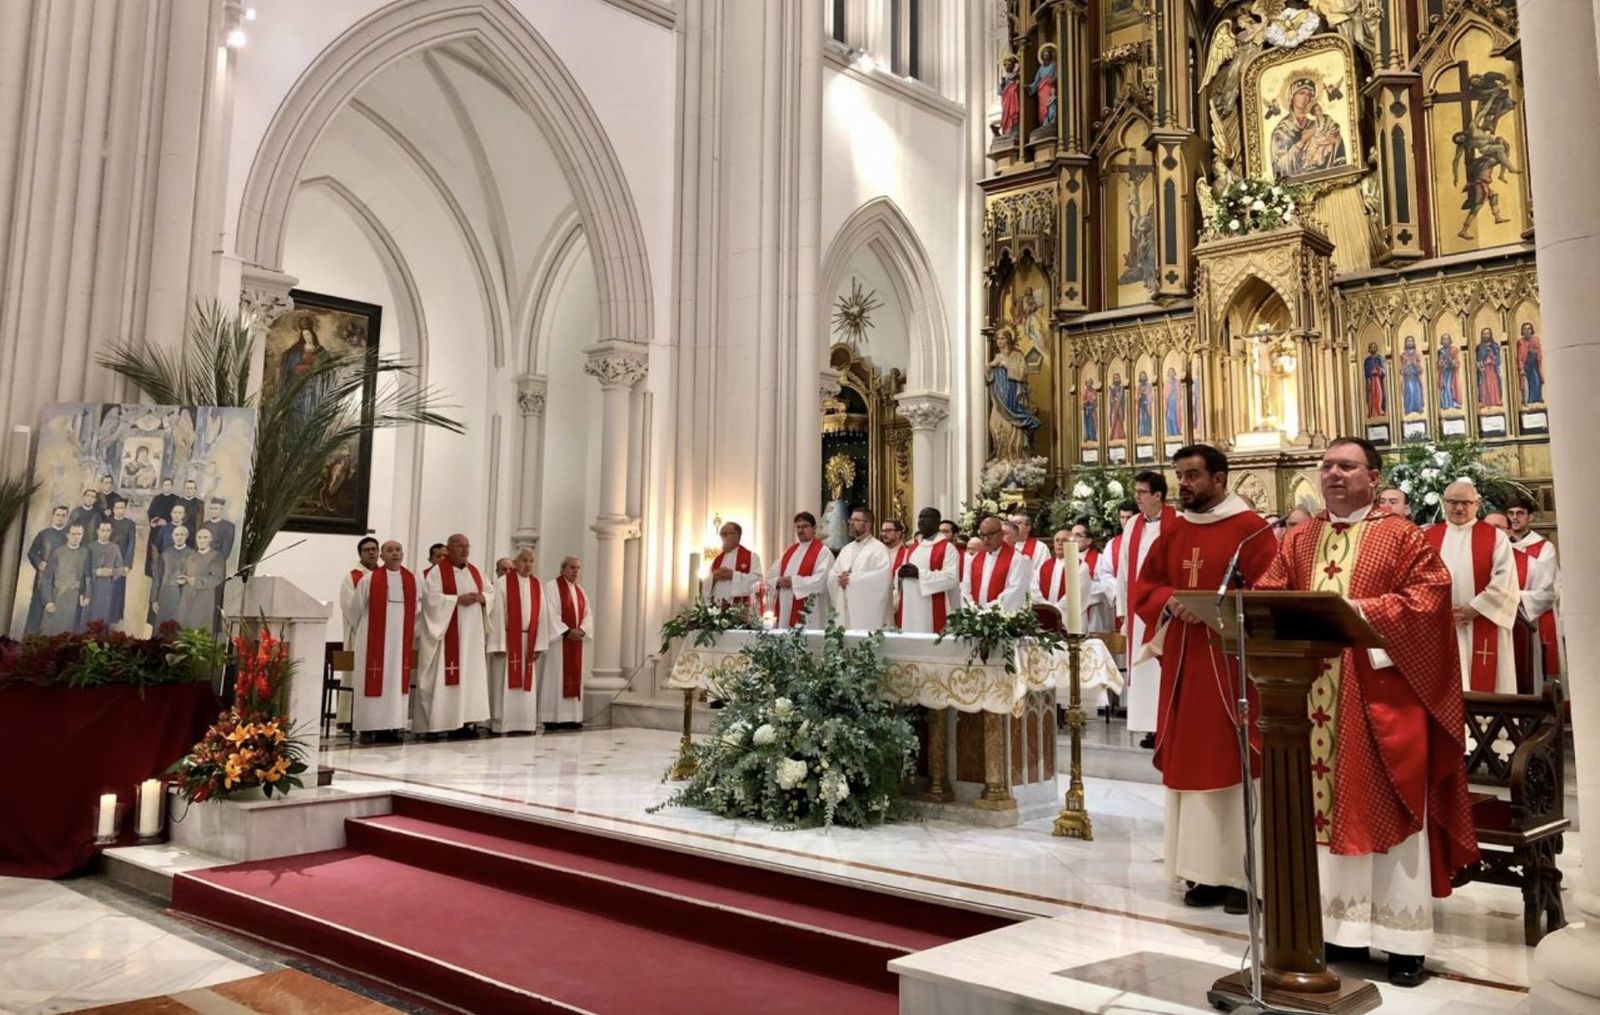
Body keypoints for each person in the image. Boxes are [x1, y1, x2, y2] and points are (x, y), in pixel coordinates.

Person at [1254, 437, 1477, 987]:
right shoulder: (1300, 538)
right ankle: (1332, 931)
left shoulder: (1401, 536)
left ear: (1372, 477)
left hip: (1377, 702)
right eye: (1327, 465)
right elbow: (1269, 593)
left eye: (1346, 466)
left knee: (1387, 810)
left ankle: (1402, 942)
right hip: (1307, 701)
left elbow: (1429, 600)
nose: (1333, 474)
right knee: (1315, 816)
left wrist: (1353, 611)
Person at [1131, 445, 1276, 914]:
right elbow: (1146, 588)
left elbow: (1272, 590)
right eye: (1179, 476)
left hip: (1233, 666)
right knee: (1192, 765)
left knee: (1236, 765)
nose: (1184, 484)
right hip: (1185, 666)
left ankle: (1243, 876)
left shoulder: (1250, 532)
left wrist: (1221, 609)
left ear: (1220, 478)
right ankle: (1202, 871)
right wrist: (1171, 600)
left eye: (1193, 475)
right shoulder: (1173, 531)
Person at [1426, 480, 1518, 692]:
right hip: (1440, 624)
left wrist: (1474, 608)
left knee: (1488, 682)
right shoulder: (1427, 537)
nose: (1459, 508)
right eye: (1453, 502)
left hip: (1483, 620)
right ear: (1444, 503)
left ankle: (1489, 726)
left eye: (1466, 503)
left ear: (1477, 504)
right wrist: (1437, 609)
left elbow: (1506, 579)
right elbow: (1417, 580)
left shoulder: (1495, 537)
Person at [415, 533, 495, 738]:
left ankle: (466, 722)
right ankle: (445, 722)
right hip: (448, 635)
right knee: (448, 675)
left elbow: (491, 592)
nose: (465, 550)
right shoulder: (437, 573)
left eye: (467, 546)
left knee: (469, 676)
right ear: (449, 549)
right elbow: (430, 599)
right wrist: (456, 600)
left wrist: (483, 598)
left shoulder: (476, 572)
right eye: (460, 546)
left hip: (472, 636)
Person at [1118, 470, 1176, 748]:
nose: (1137, 498)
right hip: (1138, 608)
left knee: (1163, 667)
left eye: (1142, 493)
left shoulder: (1177, 522)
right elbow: (1123, 571)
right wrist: (1123, 611)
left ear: (1158, 496)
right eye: (1136, 492)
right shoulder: (1132, 526)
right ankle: (1150, 727)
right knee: (1142, 669)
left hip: (1165, 609)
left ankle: (1169, 725)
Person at [348, 540, 418, 743]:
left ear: (403, 554)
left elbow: (417, 610)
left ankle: (394, 725)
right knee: (372, 680)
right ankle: (370, 727)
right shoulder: (369, 580)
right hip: (373, 642)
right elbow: (356, 611)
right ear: (382, 556)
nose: (395, 553)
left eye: (398, 550)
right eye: (389, 550)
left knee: (396, 681)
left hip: (400, 643)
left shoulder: (410, 580)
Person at [488, 547, 556, 735]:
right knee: (505, 683)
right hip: (509, 641)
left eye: (531, 561)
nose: (528, 564)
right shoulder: (503, 583)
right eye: (524, 560)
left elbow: (542, 615)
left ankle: (525, 722)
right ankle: (503, 723)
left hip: (529, 640)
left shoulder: (536, 585)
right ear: (516, 563)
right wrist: (499, 643)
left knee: (526, 685)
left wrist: (540, 644)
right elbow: (498, 614)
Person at [1505, 494, 1560, 688]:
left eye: (1520, 513)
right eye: (1510, 513)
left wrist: (1513, 598)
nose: (1514, 517)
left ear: (1530, 518)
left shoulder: (1544, 548)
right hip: (1504, 616)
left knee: (1532, 669)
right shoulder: (1502, 546)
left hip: (1531, 618)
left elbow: (1547, 591)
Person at [543, 556, 591, 730]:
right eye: (572, 568)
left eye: (578, 568)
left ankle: (572, 717)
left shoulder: (580, 591)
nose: (576, 571)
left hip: (575, 642)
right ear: (563, 569)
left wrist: (582, 630)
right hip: (559, 642)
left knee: (574, 677)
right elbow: (550, 612)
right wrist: (567, 631)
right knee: (557, 677)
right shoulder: (552, 587)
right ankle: (553, 718)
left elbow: (587, 614)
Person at [895, 507, 960, 634]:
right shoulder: (913, 547)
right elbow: (901, 571)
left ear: (937, 522)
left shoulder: (947, 548)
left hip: (932, 607)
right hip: (910, 606)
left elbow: (951, 578)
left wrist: (919, 574)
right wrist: (900, 574)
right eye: (920, 517)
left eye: (927, 517)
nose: (922, 521)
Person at [766, 512, 834, 628]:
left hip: (809, 610)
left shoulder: (823, 552)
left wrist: (793, 582)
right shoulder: (789, 551)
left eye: (805, 526)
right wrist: (778, 581)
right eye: (798, 527)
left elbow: (822, 580)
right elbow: (770, 576)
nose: (801, 530)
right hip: (785, 606)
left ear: (814, 528)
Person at [827, 509, 893, 629]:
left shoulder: (879, 549)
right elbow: (832, 574)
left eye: (856, 520)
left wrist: (852, 579)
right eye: (850, 520)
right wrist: (838, 579)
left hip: (867, 615)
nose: (851, 523)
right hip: (845, 610)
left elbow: (883, 579)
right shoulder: (846, 549)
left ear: (868, 524)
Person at [966, 515, 1033, 611]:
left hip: (1002, 617)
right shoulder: (975, 558)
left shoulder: (1018, 559)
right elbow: (965, 587)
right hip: (975, 616)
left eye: (990, 536)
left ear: (1001, 534)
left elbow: (1015, 591)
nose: (985, 540)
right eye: (982, 535)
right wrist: (971, 607)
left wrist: (986, 608)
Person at [23, 505, 69, 635]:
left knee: (56, 607)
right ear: (53, 516)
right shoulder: (44, 534)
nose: (60, 518)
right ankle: (30, 639)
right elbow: (32, 553)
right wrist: (39, 562)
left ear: (66, 517)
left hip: (59, 578)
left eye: (63, 515)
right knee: (37, 607)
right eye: (58, 515)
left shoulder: (68, 536)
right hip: (43, 578)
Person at [40, 523, 91, 635]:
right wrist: (48, 601)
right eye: (73, 534)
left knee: (71, 635)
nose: (76, 537)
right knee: (51, 632)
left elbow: (87, 577)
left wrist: (86, 595)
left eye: (79, 534)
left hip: (75, 599)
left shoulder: (86, 553)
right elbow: (47, 578)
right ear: (67, 535)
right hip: (57, 597)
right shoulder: (57, 552)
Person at [701, 521, 763, 609]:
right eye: (722, 535)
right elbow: (706, 585)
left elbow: (757, 581)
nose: (723, 538)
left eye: (726, 534)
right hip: (717, 609)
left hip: (740, 610)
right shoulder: (717, 560)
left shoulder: (752, 557)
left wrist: (733, 575)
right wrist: (713, 578)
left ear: (737, 535)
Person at [175, 527, 225, 631]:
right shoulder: (191, 555)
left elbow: (217, 579)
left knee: (200, 632)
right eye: (199, 537)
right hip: (186, 599)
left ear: (210, 539)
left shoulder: (216, 557)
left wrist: (194, 581)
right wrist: (182, 581)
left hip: (204, 600)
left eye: (205, 537)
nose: (202, 540)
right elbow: (184, 573)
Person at [83, 520, 126, 629]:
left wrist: (112, 572)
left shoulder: (115, 547)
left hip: (108, 587)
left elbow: (120, 568)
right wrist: (96, 572)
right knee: (91, 615)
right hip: (93, 586)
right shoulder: (90, 547)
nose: (105, 533)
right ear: (98, 531)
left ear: (111, 532)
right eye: (102, 530)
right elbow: (84, 569)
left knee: (104, 616)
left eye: (107, 530)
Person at [341, 537, 381, 650]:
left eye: (374, 549)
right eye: (367, 550)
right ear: (360, 554)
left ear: (379, 552)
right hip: (360, 631)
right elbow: (350, 608)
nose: (371, 552)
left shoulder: (386, 575)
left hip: (383, 631)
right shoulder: (352, 577)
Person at [153, 525, 192, 628]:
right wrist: (155, 599)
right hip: (165, 594)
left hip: (183, 595)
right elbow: (158, 576)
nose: (179, 537)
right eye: (176, 534)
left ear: (186, 536)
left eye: (182, 534)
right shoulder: (165, 553)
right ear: (172, 537)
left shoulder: (192, 554)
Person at [107, 498, 136, 626]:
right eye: (117, 508)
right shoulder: (108, 522)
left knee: (117, 589)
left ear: (125, 509)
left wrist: (127, 564)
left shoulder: (129, 524)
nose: (119, 510)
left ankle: (115, 617)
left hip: (121, 561)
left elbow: (131, 545)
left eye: (122, 508)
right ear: (113, 509)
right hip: (107, 561)